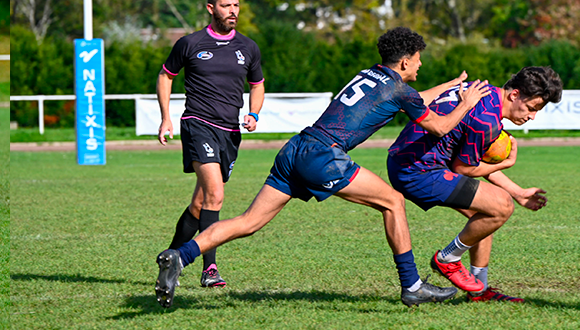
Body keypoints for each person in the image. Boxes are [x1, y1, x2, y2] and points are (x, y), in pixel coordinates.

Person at [156, 27, 491, 308]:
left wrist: (448, 88)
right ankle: (413, 287)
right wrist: (466, 103)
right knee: (393, 201)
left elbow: (412, 97)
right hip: (322, 156)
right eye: (418, 61)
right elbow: (442, 127)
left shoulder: (373, 75)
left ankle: (179, 256)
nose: (420, 66)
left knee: (248, 222)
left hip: (296, 149)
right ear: (404, 61)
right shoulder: (401, 89)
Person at [386, 66, 563, 302]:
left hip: (405, 160)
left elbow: (468, 163)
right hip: (418, 170)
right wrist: (504, 164)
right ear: (514, 95)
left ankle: (479, 290)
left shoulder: (484, 93)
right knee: (500, 205)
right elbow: (465, 169)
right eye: (531, 108)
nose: (532, 116)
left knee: (485, 214)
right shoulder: (486, 120)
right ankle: (447, 259)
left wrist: (519, 192)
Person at [157, 0, 265, 289]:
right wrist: (166, 118)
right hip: (197, 124)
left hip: (229, 133)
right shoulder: (190, 43)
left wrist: (254, 113)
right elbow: (166, 76)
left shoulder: (248, 47)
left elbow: (257, 84)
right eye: (226, 6)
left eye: (237, 6)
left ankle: (171, 258)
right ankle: (210, 269)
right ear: (211, 9)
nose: (233, 11)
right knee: (215, 194)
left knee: (200, 203)